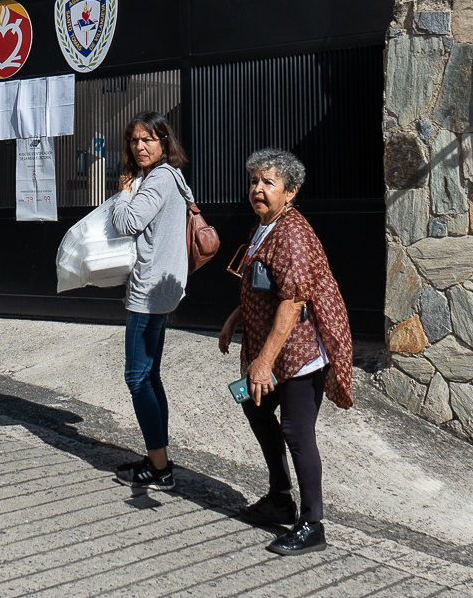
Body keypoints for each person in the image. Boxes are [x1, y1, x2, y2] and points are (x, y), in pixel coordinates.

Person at [218, 148, 353, 556]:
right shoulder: (264, 225)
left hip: (298, 351)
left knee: (296, 430)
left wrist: (262, 362)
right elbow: (263, 283)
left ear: (290, 192)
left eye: (268, 183)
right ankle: (280, 497)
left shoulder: (291, 233)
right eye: (255, 182)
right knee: (253, 406)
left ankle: (312, 524)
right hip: (266, 345)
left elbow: (292, 302)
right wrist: (235, 318)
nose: (258, 190)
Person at [110, 112, 193, 491]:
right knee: (151, 375)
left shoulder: (157, 179)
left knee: (136, 377)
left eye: (149, 139)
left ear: (164, 143)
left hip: (149, 293)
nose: (140, 147)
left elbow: (125, 223)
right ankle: (159, 457)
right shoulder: (172, 178)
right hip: (165, 289)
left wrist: (124, 191)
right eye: (134, 140)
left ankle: (160, 469)